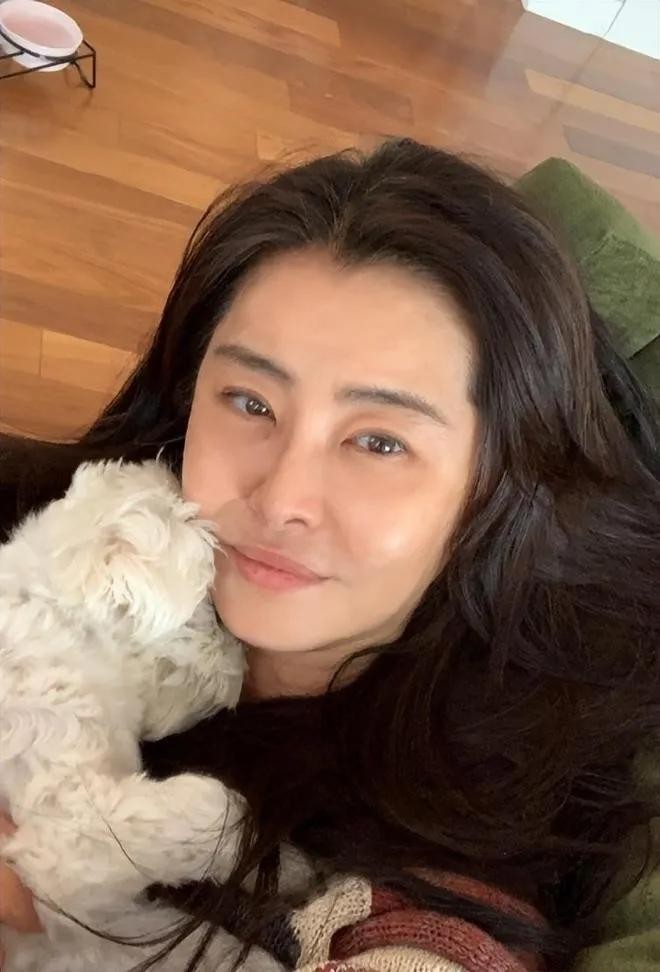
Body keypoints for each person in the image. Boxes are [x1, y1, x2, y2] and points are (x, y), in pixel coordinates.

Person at [0, 137, 659, 972]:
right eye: (250, 401)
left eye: (379, 442)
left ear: (499, 486)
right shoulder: (79, 532)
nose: (282, 498)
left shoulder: (434, 873)